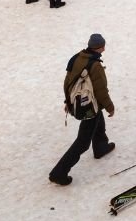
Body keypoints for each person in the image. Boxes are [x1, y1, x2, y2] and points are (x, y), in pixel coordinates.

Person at [49, 34, 116, 185]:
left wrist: (68, 101)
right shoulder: (95, 66)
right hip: (88, 105)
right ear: (100, 47)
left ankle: (100, 146)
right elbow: (101, 91)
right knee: (83, 142)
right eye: (103, 45)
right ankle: (58, 172)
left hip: (79, 102)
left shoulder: (76, 58)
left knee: (97, 118)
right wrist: (110, 107)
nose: (104, 47)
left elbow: (68, 82)